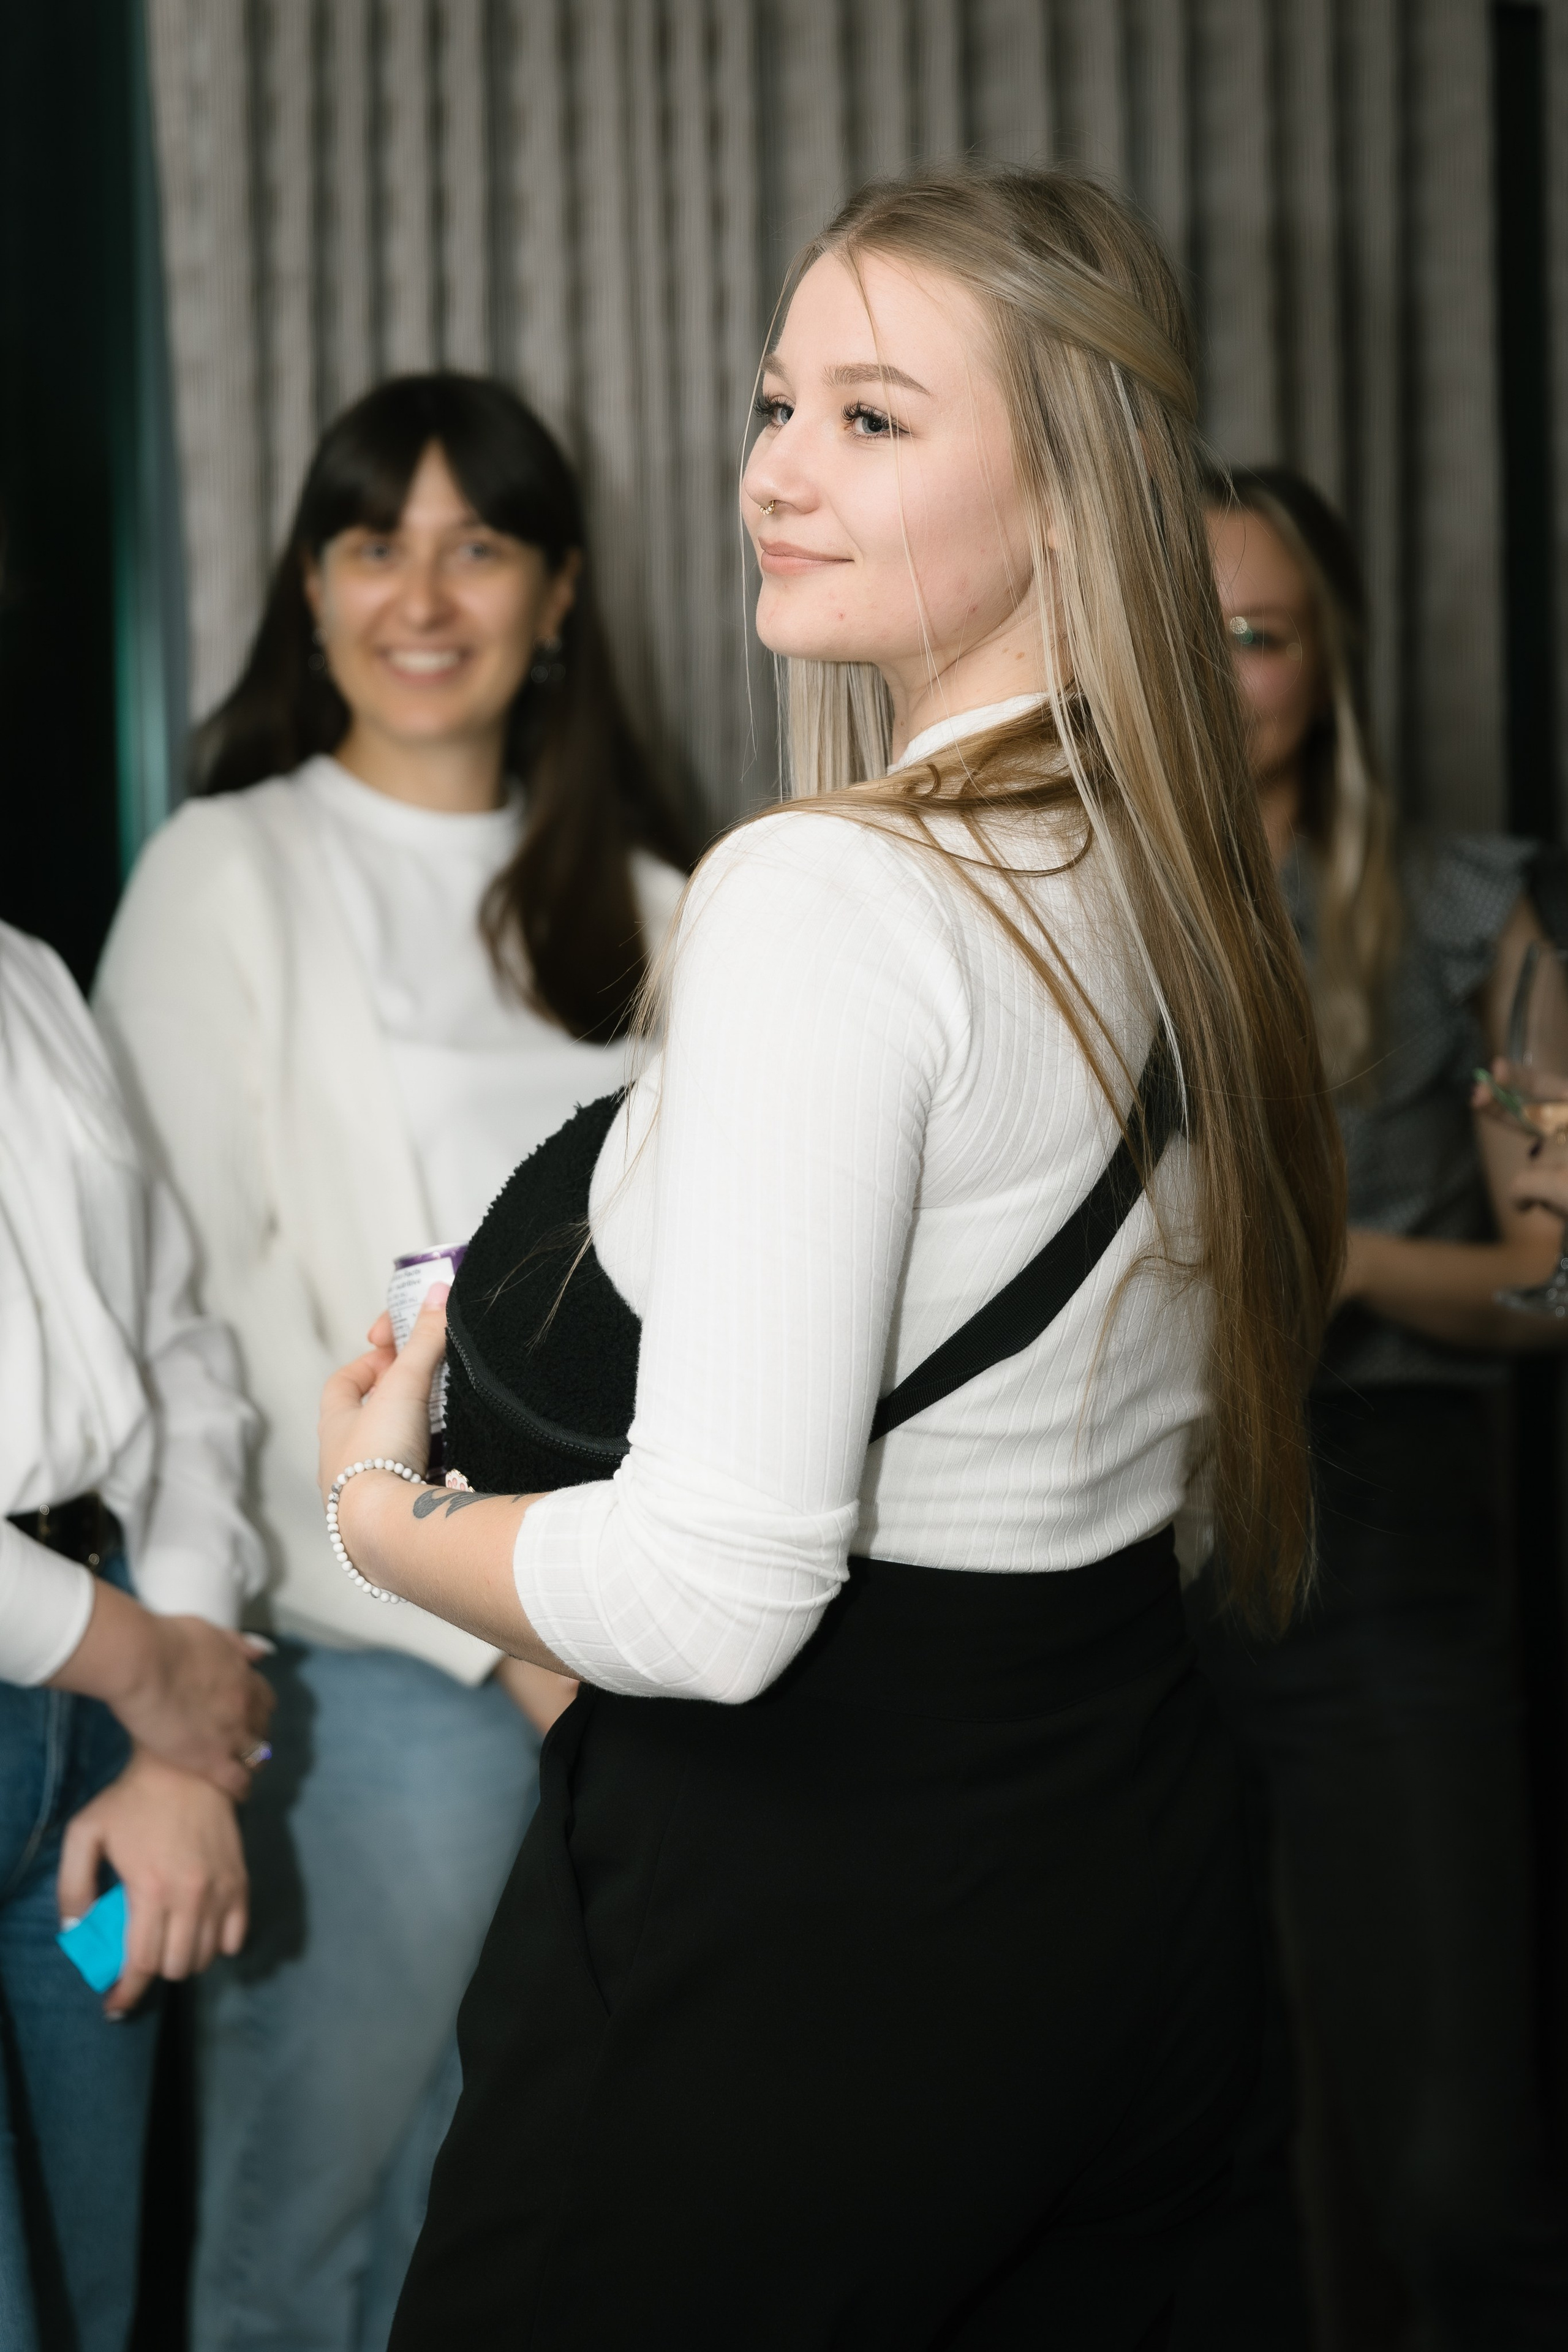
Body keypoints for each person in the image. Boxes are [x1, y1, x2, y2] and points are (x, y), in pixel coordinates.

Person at [311, 165, 1344, 2348]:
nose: (775, 471)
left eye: (873, 417)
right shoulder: (1170, 869)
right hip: (1135, 1870)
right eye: (779, 402)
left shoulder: (827, 897)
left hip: (804, 1930)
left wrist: (388, 1520)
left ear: (1070, 482)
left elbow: (718, 1597)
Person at [92, 375, 690, 2352]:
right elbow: (202, 1324)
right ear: (309, 586)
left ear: (561, 594)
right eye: (373, 544)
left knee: (539, 2218)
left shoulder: (676, 911)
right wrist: (498, 1629)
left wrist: (612, 1619)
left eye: (479, 546)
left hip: (640, 1630)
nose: (421, 598)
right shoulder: (229, 869)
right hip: (376, 1655)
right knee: (321, 2225)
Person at [1174, 465, 1568, 2348]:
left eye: (1258, 634)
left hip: (1381, 1539)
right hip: (1096, 1565)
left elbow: (1557, 1266)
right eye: (1179, 629)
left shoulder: (1477, 917)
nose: (1214, 670)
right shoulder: (1055, 898)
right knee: (1177, 2154)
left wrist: (1335, 1263)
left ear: (1333, 662)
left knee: (1450, 2169)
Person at [0, 916, 271, 2352]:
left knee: (88, 2306)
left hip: (104, 1744)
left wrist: (182, 1735)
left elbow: (178, 1354)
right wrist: (150, 1666)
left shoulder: (27, 975)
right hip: (109, 1667)